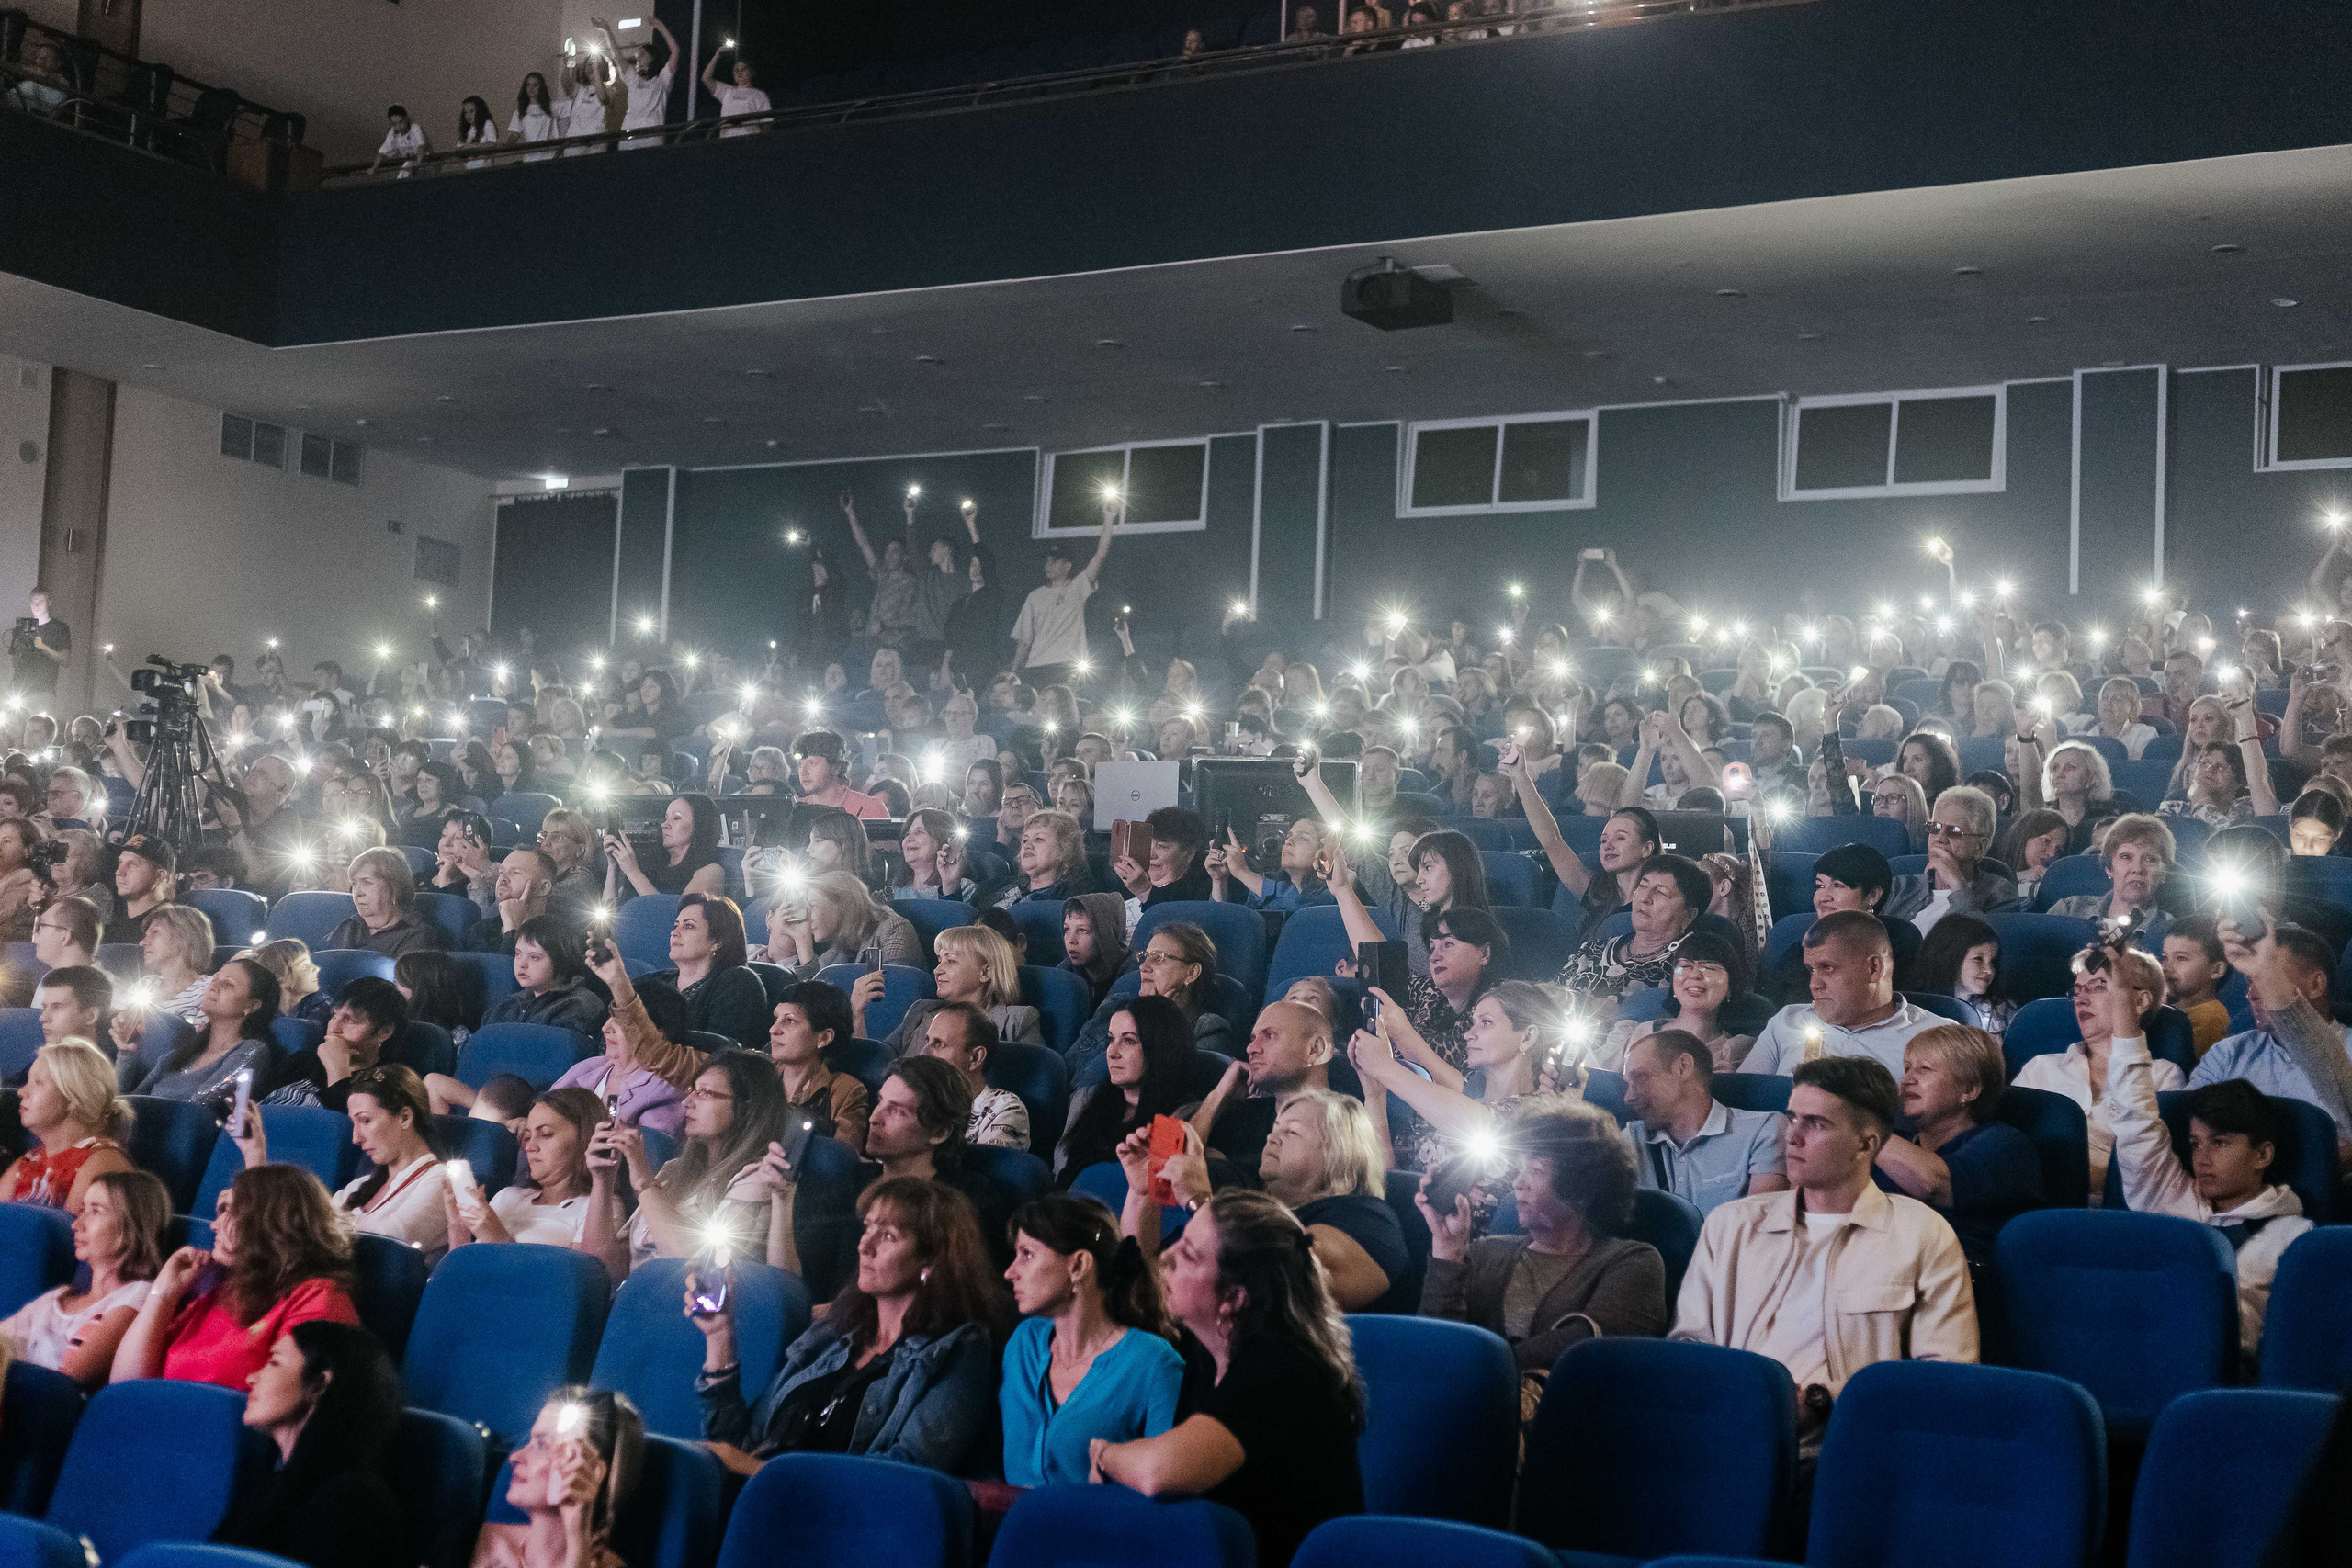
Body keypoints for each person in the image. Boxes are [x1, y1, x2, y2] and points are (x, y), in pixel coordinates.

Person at [1672, 1055, 1977, 1449]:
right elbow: (1688, 1345)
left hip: (1851, 1449)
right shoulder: (1731, 1224)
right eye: (1793, 1117)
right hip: (1728, 1438)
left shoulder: (1921, 1232)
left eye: (1815, 1124)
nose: (1792, 1136)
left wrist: (1821, 1401)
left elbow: (1946, 1374)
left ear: (1866, 1145)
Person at [1091, 1189, 1365, 1568]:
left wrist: (1106, 1456)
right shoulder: (1208, 1350)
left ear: (1235, 1298)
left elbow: (1161, 1471)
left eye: (1188, 1253)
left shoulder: (1282, 1369)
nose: (1167, 1257)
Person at [692, 1175, 1003, 1474]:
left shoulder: (960, 1351)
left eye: (889, 1236)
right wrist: (720, 1336)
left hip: (836, 1521)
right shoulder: (831, 1335)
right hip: (759, 1500)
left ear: (931, 1261)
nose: (864, 1246)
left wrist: (757, 1471)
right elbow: (740, 1446)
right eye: (867, 1228)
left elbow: (905, 1476)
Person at [2099, 932, 2312, 1358]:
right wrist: (2121, 996)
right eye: (2195, 1143)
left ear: (2262, 1155)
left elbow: (2277, 1342)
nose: (2202, 1158)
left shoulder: (2293, 1238)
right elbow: (2135, 1112)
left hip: (2222, 1372)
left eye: (2220, 1142)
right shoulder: (2166, 1191)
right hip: (2125, 1348)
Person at [1419, 1102, 1669, 1390]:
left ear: (1581, 1188)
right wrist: (1447, 1248)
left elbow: (1582, 1349)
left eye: (1535, 1169)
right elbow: (1433, 1342)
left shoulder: (1633, 1262)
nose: (1517, 1183)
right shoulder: (1486, 1251)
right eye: (1518, 1169)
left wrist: (1465, 1372)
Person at [111, 1164, 361, 1388]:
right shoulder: (224, 1293)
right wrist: (163, 1294)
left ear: (270, 1222)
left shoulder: (318, 1297)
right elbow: (125, 1384)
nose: (214, 1225)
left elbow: (295, 1397)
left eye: (229, 1211)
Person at [999, 1191, 1186, 1485]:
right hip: (1011, 1526)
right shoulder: (1024, 1343)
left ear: (1078, 1266)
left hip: (1097, 1528)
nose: (1010, 1272)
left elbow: (1166, 1489)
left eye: (1027, 1254)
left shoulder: (1154, 1363)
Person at [222, 1322, 412, 1568]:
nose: (251, 1378)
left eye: (274, 1362)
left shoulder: (352, 1502)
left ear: (320, 1385)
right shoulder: (270, 1479)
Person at [584, 1049, 784, 1278]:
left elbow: (696, 1268)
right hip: (636, 1303)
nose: (688, 1102)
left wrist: (643, 1183)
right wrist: (602, 1181)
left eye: (705, 1093)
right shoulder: (673, 1171)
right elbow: (602, 1267)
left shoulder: (757, 1179)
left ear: (746, 1109)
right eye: (692, 1090)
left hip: (687, 1310)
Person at [2013, 942, 2184, 1195]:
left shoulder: (2163, 1077)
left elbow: (2150, 1168)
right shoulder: (2040, 1067)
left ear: (2139, 1001)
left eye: (2099, 987)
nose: (2081, 999)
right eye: (2078, 990)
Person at [1873, 1027, 2043, 1268]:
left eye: (1925, 1069)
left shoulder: (2005, 1143)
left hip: (1958, 1284)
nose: (1907, 1079)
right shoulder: (1892, 1142)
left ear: (1969, 1090)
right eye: (1907, 1067)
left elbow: (1934, 1184)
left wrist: (1862, 1126)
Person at [1351, 977, 1548, 1177]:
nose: (1468, 1034)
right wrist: (1375, 1094)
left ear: (1527, 1037)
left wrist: (1383, 1065)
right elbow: (1389, 1180)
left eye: (1486, 1023)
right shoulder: (1449, 1103)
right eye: (1473, 1023)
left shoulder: (1538, 1115)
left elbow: (1480, 1124)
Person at [2186, 921, 2352, 1146]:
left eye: (2266, 978)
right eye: (2249, 980)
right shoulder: (2226, 1054)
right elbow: (2184, 1123)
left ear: (2316, 984)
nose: (2250, 994)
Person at [0, 1168, 166, 1385]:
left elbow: (68, 1382)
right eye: (82, 1210)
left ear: (132, 1223)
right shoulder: (55, 1299)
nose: (76, 1224)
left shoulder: (137, 1296)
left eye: (96, 1211)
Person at [1745, 913, 1942, 1077]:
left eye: (1827, 968)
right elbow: (1742, 1107)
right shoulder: (1787, 1022)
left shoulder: (1936, 1038)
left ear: (1873, 968)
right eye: (1810, 970)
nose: (1814, 984)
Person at [468, 1389, 645, 1568]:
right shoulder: (483, 1542)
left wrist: (577, 1537)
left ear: (595, 1473)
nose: (515, 1457)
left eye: (542, 1444)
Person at [1622, 1028, 1789, 1215]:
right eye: (1627, 1084)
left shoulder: (1763, 1130)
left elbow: (1757, 1228)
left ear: (1683, 1067)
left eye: (1639, 1077)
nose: (1628, 1097)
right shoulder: (1631, 1138)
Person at [1190, 1000, 1335, 1182]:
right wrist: (1217, 1097)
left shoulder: (1347, 1126)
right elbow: (1172, 1174)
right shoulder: (1243, 1115)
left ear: (1314, 1049)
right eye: (1253, 1038)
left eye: (1269, 1035)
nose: (1251, 1048)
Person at [1057, 994, 1197, 1181]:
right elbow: (1061, 1173)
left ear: (1159, 1048)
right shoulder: (1087, 1099)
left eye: (1129, 1041)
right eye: (1111, 1040)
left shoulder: (1184, 1112)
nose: (1112, 1053)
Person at [447, 1089, 607, 1248]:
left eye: (545, 1134)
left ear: (585, 1138)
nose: (530, 1147)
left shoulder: (596, 1207)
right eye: (528, 1137)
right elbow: (461, 1270)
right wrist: (458, 1227)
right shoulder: (507, 1196)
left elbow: (584, 1271)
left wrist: (498, 1239)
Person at [0, 1040, 135, 1211]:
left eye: (38, 1082)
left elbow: (71, 1234)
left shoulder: (103, 1162)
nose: (21, 1091)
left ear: (73, 1096)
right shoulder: (28, 1162)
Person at [1594, 931, 1756, 1074]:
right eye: (1685, 966)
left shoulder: (1736, 1052)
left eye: (1711, 968)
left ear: (1730, 987)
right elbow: (1589, 1084)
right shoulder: (1635, 1034)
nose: (1695, 975)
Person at [867, 924, 1043, 1055]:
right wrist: (857, 1011)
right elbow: (877, 1064)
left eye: (950, 961)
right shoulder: (921, 1011)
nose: (937, 971)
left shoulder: (1018, 1021)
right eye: (939, 961)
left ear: (986, 972)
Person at [1558, 853, 1709, 1004]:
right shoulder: (1592, 949)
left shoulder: (1683, 972)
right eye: (1643, 886)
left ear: (1688, 916)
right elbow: (1548, 995)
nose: (1645, 898)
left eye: (1661, 892)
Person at [133, 955, 282, 1103]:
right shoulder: (177, 1056)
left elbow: (200, 1104)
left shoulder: (252, 1050)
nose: (213, 987)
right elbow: (130, 1102)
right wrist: (128, 1051)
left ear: (251, 1006)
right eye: (214, 979)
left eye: (228, 984)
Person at [1880, 785, 2021, 932]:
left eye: (1954, 831)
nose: (1939, 838)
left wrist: (1957, 883)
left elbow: (1979, 945)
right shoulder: (1899, 887)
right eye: (1935, 827)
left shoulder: (2000, 894)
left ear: (1980, 846)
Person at [637, 893, 768, 1049]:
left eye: (688, 926)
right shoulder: (652, 982)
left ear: (718, 941)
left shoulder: (739, 982)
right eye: (676, 925)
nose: (674, 933)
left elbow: (721, 1055)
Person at [1012, 497, 1119, 687]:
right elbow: (1024, 642)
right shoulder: (1034, 596)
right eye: (1047, 561)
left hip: (1068, 665)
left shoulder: (1078, 586)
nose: (1049, 565)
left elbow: (1100, 555)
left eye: (1055, 561)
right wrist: (1014, 672)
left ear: (1067, 565)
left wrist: (1108, 519)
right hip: (1036, 665)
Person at [767, 980, 871, 1155]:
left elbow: (839, 1159)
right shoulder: (758, 1073)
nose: (773, 1029)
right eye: (777, 1019)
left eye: (790, 1021)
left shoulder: (845, 1092)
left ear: (824, 1038)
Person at [915, 1003, 1030, 1150]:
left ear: (975, 1058)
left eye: (938, 1044)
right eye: (928, 1041)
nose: (923, 1053)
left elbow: (985, 1169)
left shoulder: (1005, 1110)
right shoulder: (915, 1099)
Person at [770, 869, 922, 978]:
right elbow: (813, 1005)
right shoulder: (835, 953)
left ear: (843, 904)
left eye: (813, 907)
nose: (807, 918)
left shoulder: (893, 929)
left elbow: (899, 990)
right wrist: (802, 943)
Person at [481, 918, 609, 1036]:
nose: (522, 964)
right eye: (518, 954)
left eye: (534, 957)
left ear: (560, 960)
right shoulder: (505, 1007)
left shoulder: (579, 1006)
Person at [324, 848, 444, 957]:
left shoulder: (418, 936)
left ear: (394, 888)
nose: (358, 893)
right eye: (354, 884)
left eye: (367, 882)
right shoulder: (349, 927)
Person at [604, 795, 725, 901]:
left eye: (676, 818)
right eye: (666, 818)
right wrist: (612, 866)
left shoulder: (711, 872)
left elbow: (675, 918)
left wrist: (633, 872)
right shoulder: (650, 866)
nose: (665, 825)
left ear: (700, 826)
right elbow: (607, 918)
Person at [1908, 913, 2014, 1033]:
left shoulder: (1998, 1012)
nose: (1989, 970)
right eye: (1978, 959)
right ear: (1949, 958)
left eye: (1993, 962)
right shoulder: (1915, 1011)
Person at [982, 808, 1096, 909]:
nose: (1027, 845)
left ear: (1064, 849)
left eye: (1038, 839)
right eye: (1025, 840)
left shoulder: (1075, 899)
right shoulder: (994, 886)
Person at [2158, 914, 2233, 1055]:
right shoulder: (2172, 1009)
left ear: (2217, 970)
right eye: (2165, 957)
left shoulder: (2210, 1016)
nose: (2165, 967)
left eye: (2181, 958)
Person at [139, 902, 216, 1021]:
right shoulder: (144, 985)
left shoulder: (210, 990)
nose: (143, 942)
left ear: (184, 937)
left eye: (155, 932)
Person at [103, 831, 176, 946]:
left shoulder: (171, 926)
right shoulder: (114, 923)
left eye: (132, 864)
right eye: (120, 863)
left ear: (160, 876)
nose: (119, 872)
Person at [1059, 892, 1129, 1010]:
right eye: (1067, 929)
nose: (1071, 940)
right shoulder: (1064, 973)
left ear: (1106, 934)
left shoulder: (1131, 976)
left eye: (1082, 930)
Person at [32, 964, 108, 1053]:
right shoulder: (38, 1062)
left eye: (57, 1007)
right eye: (44, 1007)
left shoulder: (116, 1064)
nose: (43, 1018)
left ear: (90, 1016)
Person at [699, 43, 770, 132]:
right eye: (736, 70)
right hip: (727, 141)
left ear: (751, 73)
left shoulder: (759, 95)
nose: (739, 72)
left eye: (743, 69)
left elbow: (767, 123)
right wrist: (717, 55)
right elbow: (706, 78)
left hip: (749, 141)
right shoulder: (727, 91)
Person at [368, 104, 431, 175]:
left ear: (406, 118)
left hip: (424, 164)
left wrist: (417, 163)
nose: (398, 127)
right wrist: (374, 168)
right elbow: (381, 152)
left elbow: (421, 146)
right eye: (394, 124)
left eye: (401, 122)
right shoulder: (392, 133)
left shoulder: (415, 128)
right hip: (409, 165)